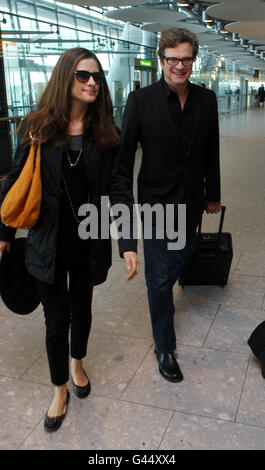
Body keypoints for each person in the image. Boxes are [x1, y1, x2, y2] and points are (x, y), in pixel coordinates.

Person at [0, 47, 138, 432]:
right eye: (83, 75)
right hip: (47, 241)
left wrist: (127, 242)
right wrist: (4, 235)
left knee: (83, 310)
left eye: (96, 76)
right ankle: (58, 388)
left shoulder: (108, 134)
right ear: (66, 78)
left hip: (88, 243)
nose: (92, 82)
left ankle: (78, 363)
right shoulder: (37, 127)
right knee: (56, 320)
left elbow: (121, 189)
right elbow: (16, 182)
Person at [117, 28, 221, 383]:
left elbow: (212, 151)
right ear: (162, 59)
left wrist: (213, 194)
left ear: (194, 60)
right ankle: (164, 346)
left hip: (191, 199)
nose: (180, 65)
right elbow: (124, 159)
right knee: (159, 278)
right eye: (173, 58)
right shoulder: (140, 101)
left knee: (182, 254)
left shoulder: (206, 100)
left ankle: (161, 286)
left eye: (186, 58)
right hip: (157, 202)